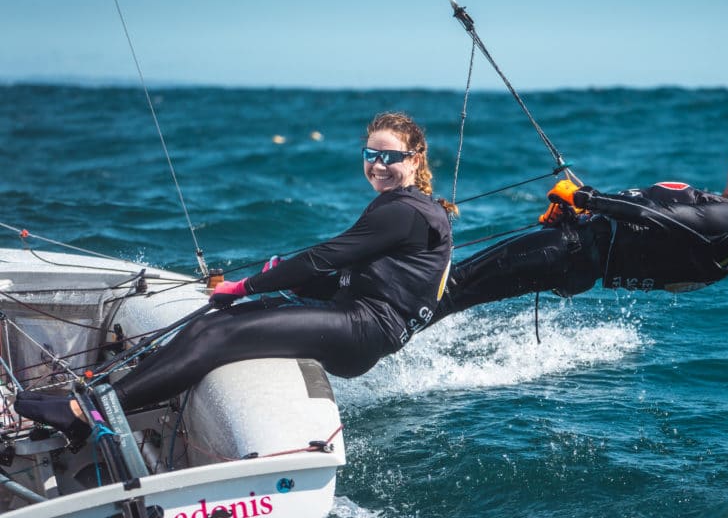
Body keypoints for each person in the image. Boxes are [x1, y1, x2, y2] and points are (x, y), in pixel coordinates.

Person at [16, 112, 456, 440]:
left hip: (364, 330)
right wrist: (291, 282)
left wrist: (247, 285)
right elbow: (361, 274)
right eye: (371, 154)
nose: (378, 165)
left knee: (217, 339)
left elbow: (325, 257)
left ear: (415, 160)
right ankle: (91, 404)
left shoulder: (403, 210)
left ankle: (85, 415)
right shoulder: (402, 206)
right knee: (210, 324)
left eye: (390, 157)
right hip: (353, 318)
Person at [433, 138, 728, 321]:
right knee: (456, 291)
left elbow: (653, 217)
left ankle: (385, 324)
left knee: (452, 287)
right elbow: (646, 243)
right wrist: (575, 214)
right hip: (574, 254)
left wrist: (586, 198)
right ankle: (392, 324)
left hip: (568, 253)